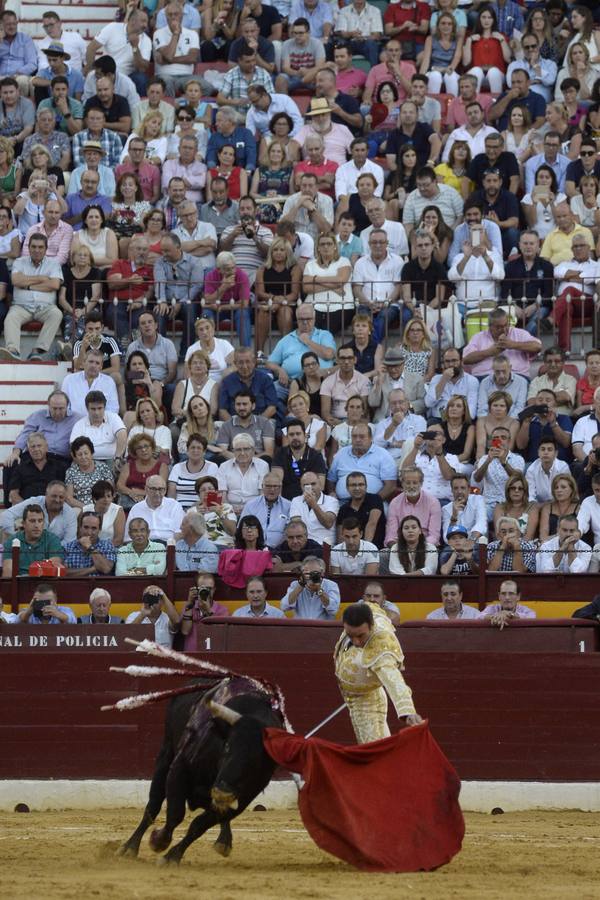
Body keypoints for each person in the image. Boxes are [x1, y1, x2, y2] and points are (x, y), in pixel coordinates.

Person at [334, 601, 421, 744]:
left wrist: (407, 711)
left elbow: (394, 680)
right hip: (356, 692)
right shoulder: (368, 611)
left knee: (374, 750)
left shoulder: (381, 647)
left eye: (361, 636)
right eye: (350, 635)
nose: (355, 642)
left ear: (372, 625)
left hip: (366, 701)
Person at [0, 234, 62, 361]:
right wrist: (41, 279)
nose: (37, 250)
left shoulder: (54, 264)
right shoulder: (19, 262)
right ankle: (13, 351)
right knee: (11, 318)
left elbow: (54, 284)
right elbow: (16, 280)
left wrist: (28, 286)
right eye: (33, 247)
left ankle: (37, 351)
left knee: (56, 314)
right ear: (28, 247)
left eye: (40, 247)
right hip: (21, 307)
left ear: (46, 249)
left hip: (46, 307)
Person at [551, 234, 600, 353]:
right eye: (575, 246)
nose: (578, 249)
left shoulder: (596, 265)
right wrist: (581, 275)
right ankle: (564, 350)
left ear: (589, 248)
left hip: (586, 302)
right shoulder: (563, 264)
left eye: (582, 246)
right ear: (571, 249)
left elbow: (588, 278)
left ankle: (551, 319)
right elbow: (557, 273)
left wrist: (567, 277)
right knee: (566, 305)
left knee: (569, 290)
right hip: (566, 302)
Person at [462, 308, 542, 380]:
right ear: (490, 326)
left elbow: (537, 346)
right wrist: (490, 352)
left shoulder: (519, 333)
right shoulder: (478, 337)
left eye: (506, 325)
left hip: (516, 376)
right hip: (485, 377)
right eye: (498, 327)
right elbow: (466, 359)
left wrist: (512, 345)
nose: (503, 329)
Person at [327, 423, 397, 503]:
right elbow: (331, 479)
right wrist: (332, 493)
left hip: (372, 503)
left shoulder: (382, 454)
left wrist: (375, 502)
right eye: (354, 436)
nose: (357, 440)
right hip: (342, 502)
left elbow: (391, 486)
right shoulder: (341, 453)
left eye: (362, 436)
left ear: (371, 438)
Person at [0, 480, 77, 545]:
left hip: (56, 553)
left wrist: (49, 550)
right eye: (54, 496)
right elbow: (6, 515)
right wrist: (15, 537)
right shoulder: (34, 502)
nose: (57, 500)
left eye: (61, 497)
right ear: (46, 495)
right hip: (27, 548)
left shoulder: (70, 513)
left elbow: (69, 542)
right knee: (6, 535)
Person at [152, 2, 200, 98]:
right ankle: (172, 108)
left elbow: (193, 58)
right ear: (166, 17)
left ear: (182, 16)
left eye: (176, 14)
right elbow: (169, 55)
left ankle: (182, 100)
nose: (173, 17)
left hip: (187, 76)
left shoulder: (192, 34)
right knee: (167, 83)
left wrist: (168, 60)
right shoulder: (158, 33)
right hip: (165, 75)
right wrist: (176, 34)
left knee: (207, 87)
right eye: (170, 14)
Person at [2, 504, 64, 577]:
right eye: (32, 521)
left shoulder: (53, 540)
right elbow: (8, 572)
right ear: (23, 523)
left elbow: (52, 570)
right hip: (19, 585)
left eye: (40, 521)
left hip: (45, 585)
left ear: (43, 523)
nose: (36, 525)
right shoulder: (12, 541)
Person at [385, 466, 440, 547]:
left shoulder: (433, 502)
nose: (411, 486)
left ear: (421, 483)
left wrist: (417, 546)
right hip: (401, 546)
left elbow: (434, 536)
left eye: (415, 483)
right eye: (408, 483)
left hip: (426, 545)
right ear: (402, 484)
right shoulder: (394, 503)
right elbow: (391, 535)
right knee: (384, 553)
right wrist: (399, 546)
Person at [6, 434, 68, 506]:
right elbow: (13, 494)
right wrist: (27, 508)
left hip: (53, 508)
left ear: (46, 448)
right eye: (33, 446)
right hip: (27, 510)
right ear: (28, 449)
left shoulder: (58, 467)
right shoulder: (20, 468)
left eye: (39, 446)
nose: (36, 449)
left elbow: (64, 492)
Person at [516, 389, 573, 464]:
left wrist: (553, 423)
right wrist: (526, 423)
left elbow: (566, 443)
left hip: (558, 464)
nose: (544, 402)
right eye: (540, 400)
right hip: (533, 465)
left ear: (555, 404)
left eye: (548, 400)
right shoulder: (528, 420)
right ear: (535, 403)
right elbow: (521, 446)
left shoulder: (563, 418)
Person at [320, 345, 370, 428]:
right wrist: (339, 424)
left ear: (355, 360)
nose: (346, 362)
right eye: (343, 358)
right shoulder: (328, 382)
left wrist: (349, 424)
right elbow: (325, 413)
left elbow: (364, 410)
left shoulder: (364, 381)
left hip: (357, 421)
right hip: (335, 422)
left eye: (350, 358)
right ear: (337, 360)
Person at [125, 475, 185, 542]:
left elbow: (180, 533)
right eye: (153, 489)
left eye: (161, 489)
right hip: (145, 547)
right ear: (146, 489)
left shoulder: (174, 506)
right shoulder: (136, 509)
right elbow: (128, 537)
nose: (157, 493)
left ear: (165, 490)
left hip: (168, 545)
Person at [373, 388, 426, 463]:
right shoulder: (382, 423)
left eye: (401, 402)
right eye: (394, 403)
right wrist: (393, 425)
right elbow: (377, 445)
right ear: (389, 405)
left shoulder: (419, 420)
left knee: (410, 442)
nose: (397, 406)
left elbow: (418, 443)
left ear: (407, 403)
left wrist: (393, 443)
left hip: (413, 461)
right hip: (390, 461)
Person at [62, 348, 119, 418]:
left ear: (101, 367)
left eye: (97, 363)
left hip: (101, 423)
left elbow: (113, 408)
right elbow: (64, 405)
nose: (93, 365)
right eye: (91, 362)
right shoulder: (69, 380)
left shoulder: (109, 382)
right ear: (84, 363)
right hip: (74, 423)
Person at [425, 347, 479, 420]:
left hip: (461, 420)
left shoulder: (472, 381)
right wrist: (443, 380)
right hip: (439, 419)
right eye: (447, 361)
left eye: (454, 361)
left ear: (461, 361)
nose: (451, 364)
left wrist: (454, 417)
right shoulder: (436, 379)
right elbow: (429, 403)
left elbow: (471, 413)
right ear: (443, 363)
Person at [240, 472, 291, 549]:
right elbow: (242, 529)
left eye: (275, 486)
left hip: (281, 550)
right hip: (255, 550)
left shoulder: (289, 506)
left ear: (281, 488)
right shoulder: (251, 505)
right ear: (262, 487)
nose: (272, 489)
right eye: (268, 486)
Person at [288, 471, 338, 546]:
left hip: (323, 545)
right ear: (301, 487)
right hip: (304, 546)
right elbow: (296, 525)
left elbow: (328, 523)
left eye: (313, 484)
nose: (310, 488)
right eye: (306, 485)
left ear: (320, 485)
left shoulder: (331, 501)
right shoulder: (296, 500)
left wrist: (313, 504)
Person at [63, 511, 116, 576]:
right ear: (80, 528)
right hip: (74, 585)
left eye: (94, 528)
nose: (89, 532)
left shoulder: (107, 545)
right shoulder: (68, 547)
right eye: (86, 527)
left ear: (99, 530)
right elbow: (63, 573)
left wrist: (90, 547)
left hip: (99, 585)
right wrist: (92, 569)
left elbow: (106, 569)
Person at [441, 474, 487, 543]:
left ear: (469, 489)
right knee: (445, 553)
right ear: (452, 490)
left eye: (463, 488)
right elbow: (446, 538)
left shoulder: (478, 500)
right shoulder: (446, 509)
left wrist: (470, 541)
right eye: (456, 488)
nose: (459, 491)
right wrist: (454, 516)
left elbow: (481, 524)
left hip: (475, 544)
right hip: (455, 547)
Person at [526, 438, 571, 504]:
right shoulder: (531, 470)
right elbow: (530, 496)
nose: (546, 452)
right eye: (543, 449)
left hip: (559, 504)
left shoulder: (563, 467)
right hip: (538, 506)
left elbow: (566, 492)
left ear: (556, 453)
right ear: (538, 452)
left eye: (549, 450)